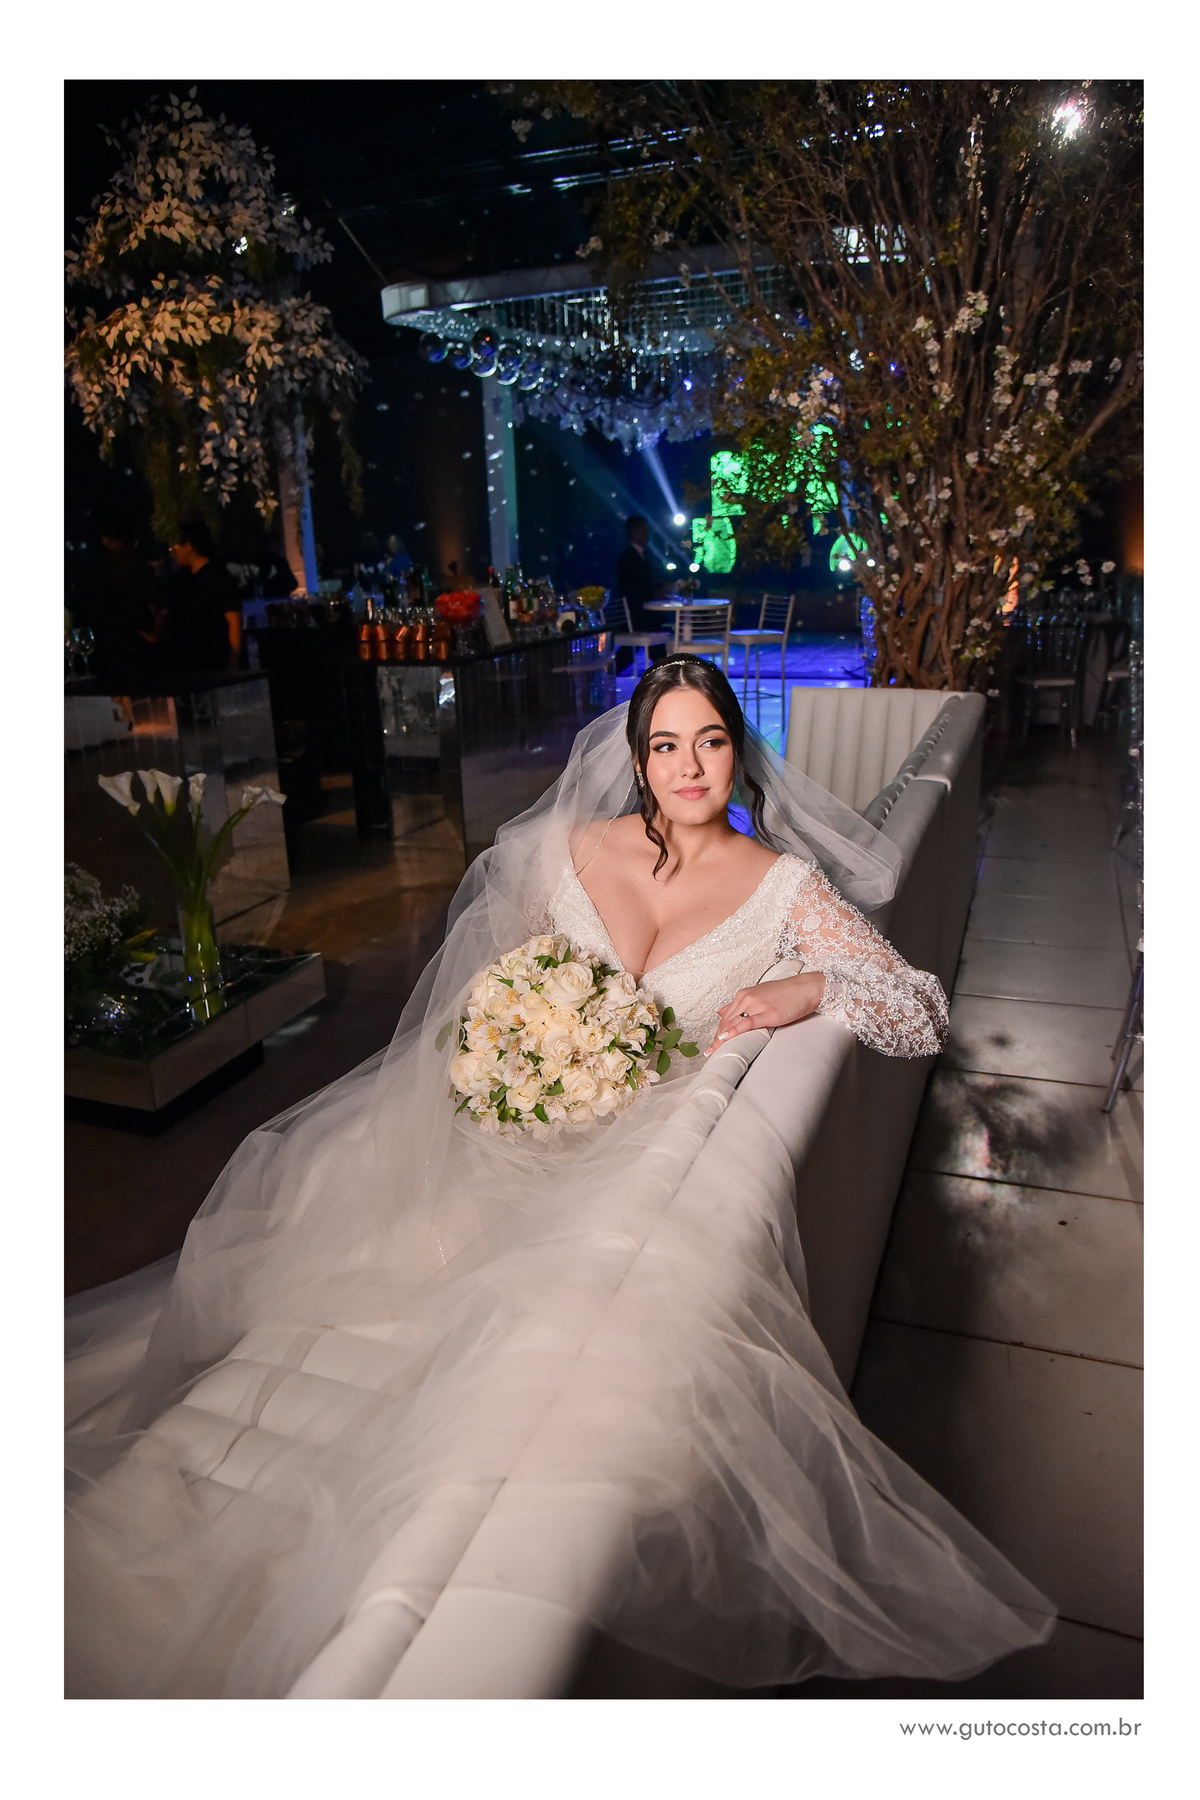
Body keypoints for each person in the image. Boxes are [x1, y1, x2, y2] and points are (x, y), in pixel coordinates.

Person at [65, 656, 1053, 1697]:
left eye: (710, 742)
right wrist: (507, 1053)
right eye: (665, 746)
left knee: (460, 1387)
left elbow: (917, 1006)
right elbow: (495, 984)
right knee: (351, 1305)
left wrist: (808, 987)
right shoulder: (568, 846)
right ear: (637, 758)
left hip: (616, 1179)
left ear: (739, 752)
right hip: (497, 1151)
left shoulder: (783, 888)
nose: (689, 767)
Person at [66, 516, 161, 672]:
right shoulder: (141, 569)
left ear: (105, 540)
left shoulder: (88, 572)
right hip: (137, 648)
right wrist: (153, 635)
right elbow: (159, 604)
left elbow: (77, 611)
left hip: (99, 649)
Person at [162, 520, 243, 672]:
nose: (172, 553)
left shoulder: (218, 577)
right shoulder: (181, 580)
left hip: (214, 659)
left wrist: (233, 661)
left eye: (175, 547)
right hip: (189, 662)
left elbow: (234, 620)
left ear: (189, 546)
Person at [614, 513, 671, 636]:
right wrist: (655, 592)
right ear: (633, 533)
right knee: (662, 622)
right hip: (636, 614)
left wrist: (661, 587)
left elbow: (643, 582)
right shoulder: (628, 557)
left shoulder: (640, 555)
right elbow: (633, 587)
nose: (647, 534)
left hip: (641, 610)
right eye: (643, 531)